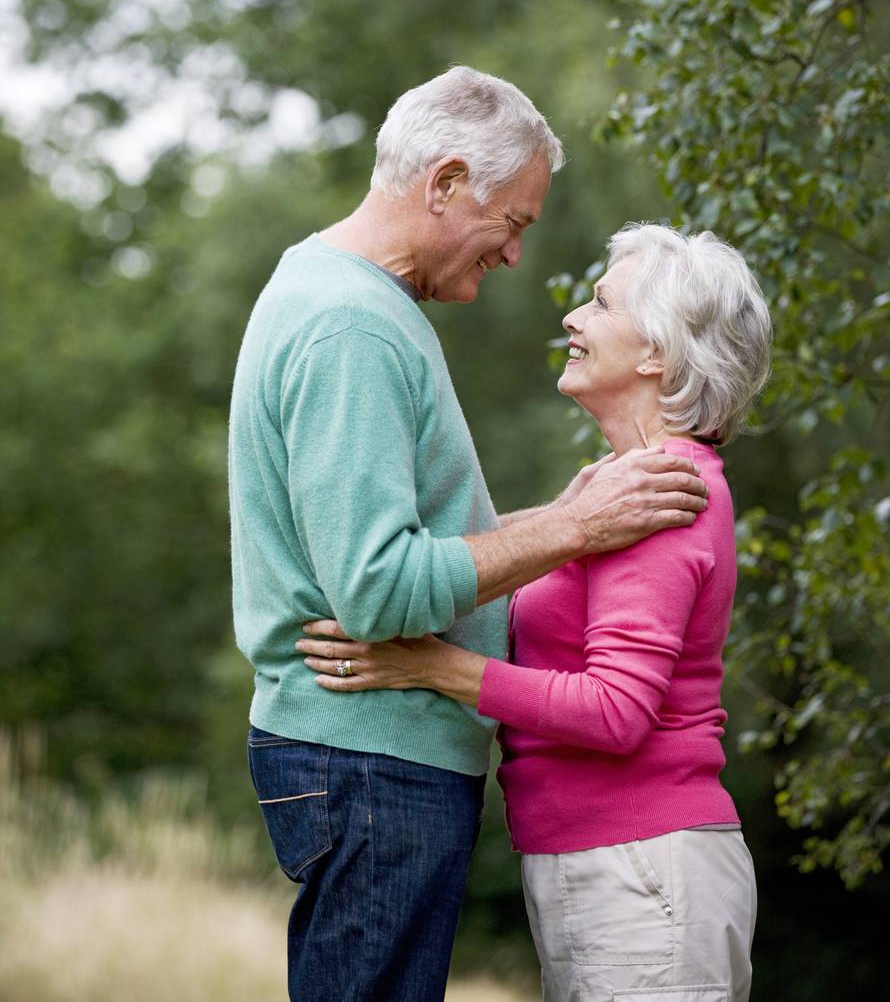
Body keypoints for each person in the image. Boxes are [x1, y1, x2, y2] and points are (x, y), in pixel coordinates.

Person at [229, 69, 709, 1002]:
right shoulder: (353, 328)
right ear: (445, 182)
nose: (518, 255)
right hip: (372, 760)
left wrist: (568, 525)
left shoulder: (342, 295)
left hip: (368, 761)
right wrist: (577, 525)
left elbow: (415, 540)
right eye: (514, 222)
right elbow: (378, 588)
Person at [297, 221, 771, 1002]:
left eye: (601, 303)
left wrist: (430, 666)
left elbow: (615, 710)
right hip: (612, 864)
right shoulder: (616, 488)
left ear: (658, 352)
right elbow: (509, 552)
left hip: (642, 868)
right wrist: (390, 564)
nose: (573, 318)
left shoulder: (663, 495)